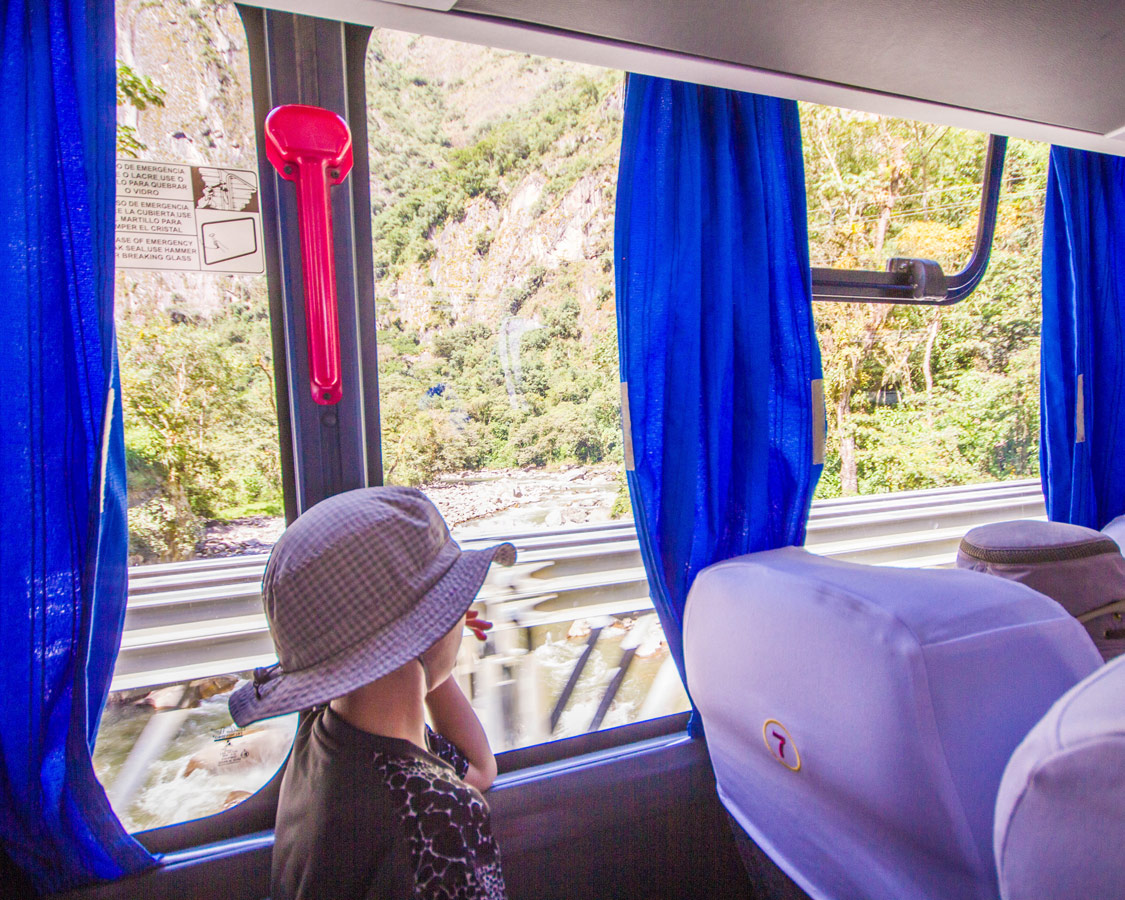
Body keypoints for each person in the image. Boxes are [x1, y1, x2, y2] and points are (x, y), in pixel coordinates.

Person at [227, 486, 516, 900]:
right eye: (450, 603)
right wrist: (434, 632)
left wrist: (431, 636)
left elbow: (478, 768)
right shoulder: (442, 815)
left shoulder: (323, 734)